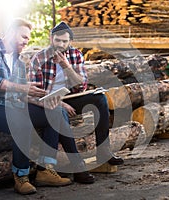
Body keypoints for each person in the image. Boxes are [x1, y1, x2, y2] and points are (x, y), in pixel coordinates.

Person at [0, 18, 79, 195]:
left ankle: (45, 170)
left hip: (10, 106)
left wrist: (51, 101)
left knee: (54, 113)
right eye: (23, 36)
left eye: (28, 38)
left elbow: (21, 94)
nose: (26, 41)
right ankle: (21, 177)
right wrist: (23, 88)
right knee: (21, 121)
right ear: (11, 32)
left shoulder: (18, 60)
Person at [30, 22, 124, 170]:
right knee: (61, 114)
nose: (61, 44)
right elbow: (35, 90)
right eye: (57, 40)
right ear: (51, 39)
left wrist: (66, 66)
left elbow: (81, 85)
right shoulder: (39, 58)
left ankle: (104, 152)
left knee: (100, 99)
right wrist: (60, 103)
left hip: (71, 98)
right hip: (47, 102)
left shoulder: (75, 54)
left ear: (70, 42)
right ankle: (77, 164)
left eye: (64, 41)